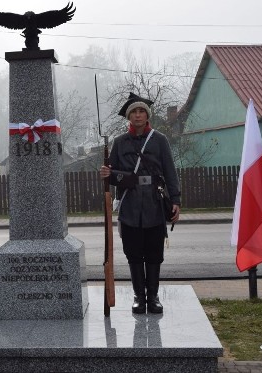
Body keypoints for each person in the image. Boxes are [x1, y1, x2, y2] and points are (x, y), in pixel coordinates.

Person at [99, 93, 180, 314]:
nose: (138, 115)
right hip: (130, 205)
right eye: (134, 111)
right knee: (134, 253)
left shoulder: (160, 140)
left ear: (147, 115)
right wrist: (108, 173)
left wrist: (176, 201)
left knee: (154, 253)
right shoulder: (119, 142)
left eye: (141, 111)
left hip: (155, 203)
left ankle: (153, 298)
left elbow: (170, 172)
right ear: (129, 116)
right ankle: (139, 298)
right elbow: (112, 176)